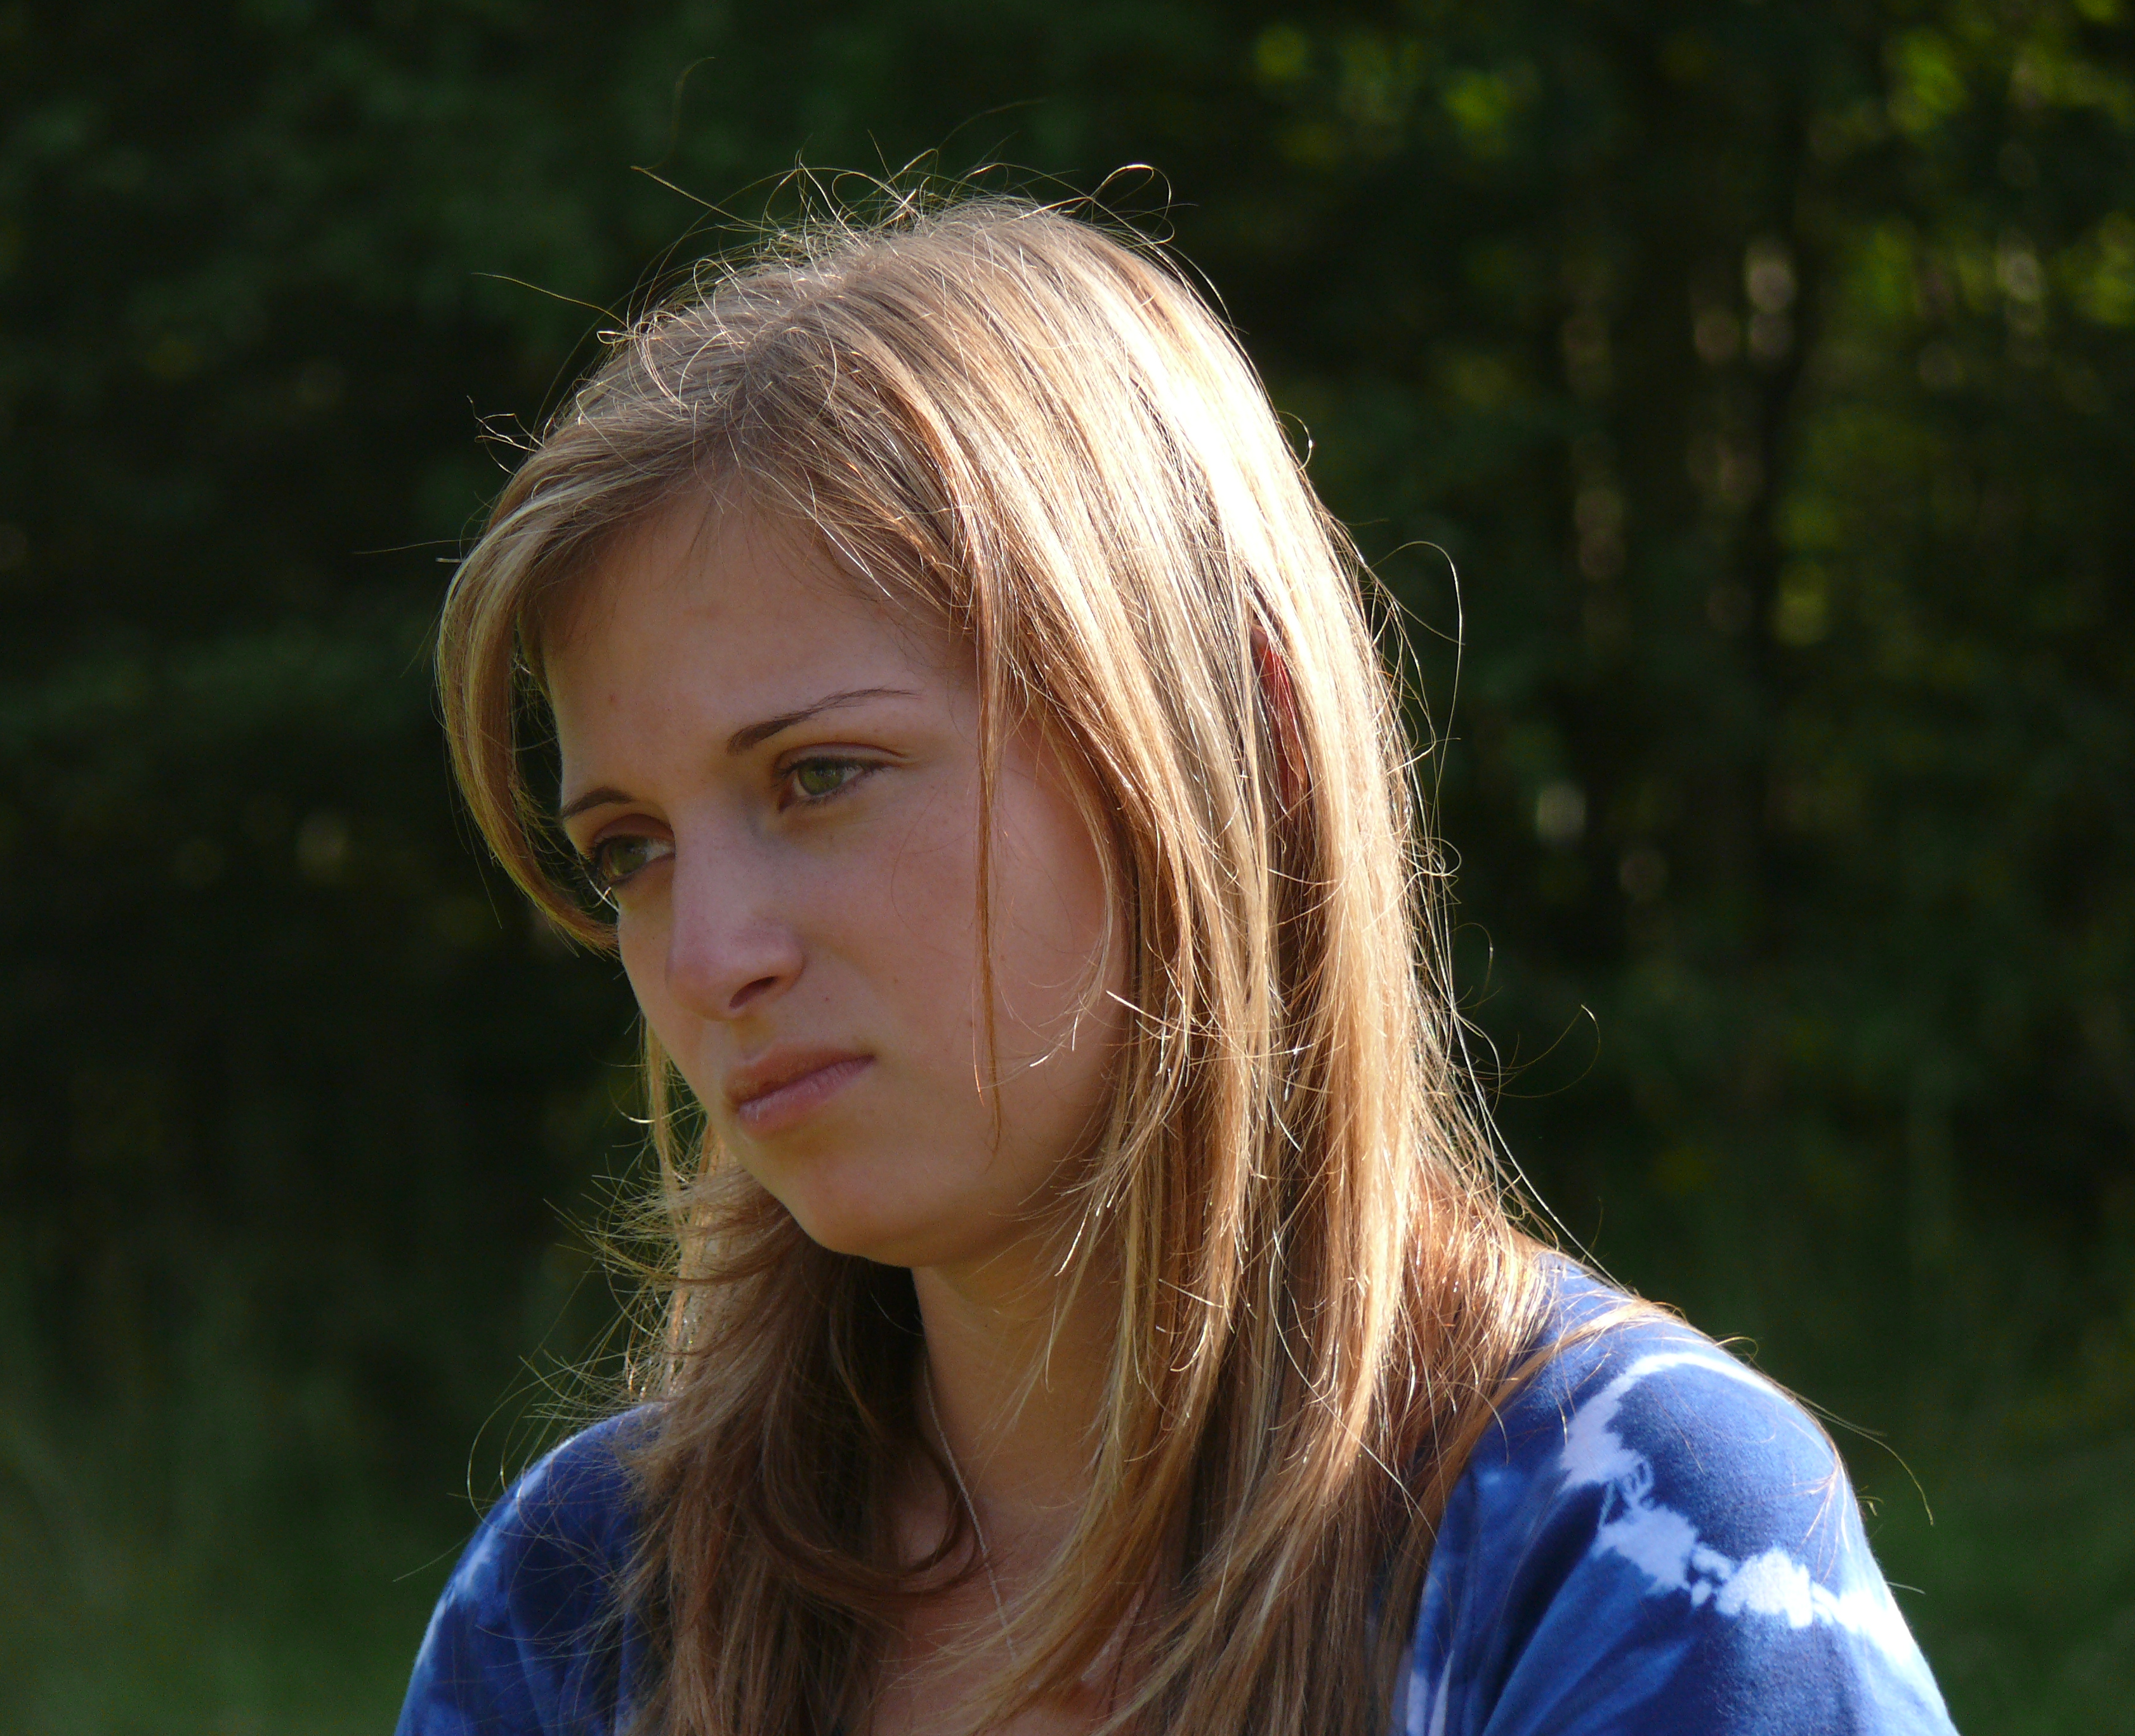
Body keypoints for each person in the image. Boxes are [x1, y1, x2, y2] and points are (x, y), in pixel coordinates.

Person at [395, 194, 1957, 1735]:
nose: (709, 955)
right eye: (630, 849)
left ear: (1242, 741)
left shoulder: (1633, 1551)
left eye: (821, 776)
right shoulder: (585, 1606)